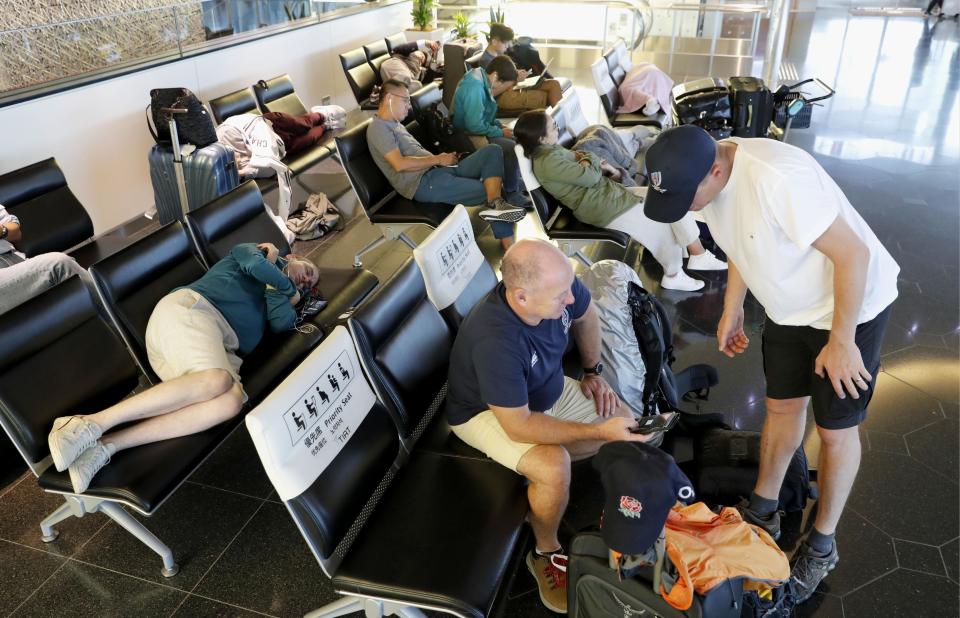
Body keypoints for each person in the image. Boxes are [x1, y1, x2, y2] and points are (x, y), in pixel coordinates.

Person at [641, 125, 899, 603]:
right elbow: (741, 241)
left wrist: (841, 340)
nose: (687, 208)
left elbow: (854, 255)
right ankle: (763, 509)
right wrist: (733, 305)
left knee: (835, 430)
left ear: (715, 171)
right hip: (789, 310)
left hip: (850, 307)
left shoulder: (777, 179)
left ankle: (822, 546)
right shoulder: (712, 181)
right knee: (781, 409)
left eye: (686, 198)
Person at [446, 238, 656, 614]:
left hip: (546, 387)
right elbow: (520, 426)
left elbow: (586, 315)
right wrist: (597, 433)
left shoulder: (557, 283)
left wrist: (593, 372)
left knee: (628, 424)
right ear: (522, 297)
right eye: (561, 296)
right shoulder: (496, 340)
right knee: (553, 464)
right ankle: (545, 550)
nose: (569, 299)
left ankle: (549, 483)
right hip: (488, 413)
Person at [46, 243, 320, 493]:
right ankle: (87, 423)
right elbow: (255, 266)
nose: (306, 281)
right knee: (218, 381)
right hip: (191, 312)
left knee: (231, 402)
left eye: (309, 285)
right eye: (308, 270)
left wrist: (284, 291)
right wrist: (278, 270)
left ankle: (105, 446)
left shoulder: (279, 288)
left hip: (214, 345)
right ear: (293, 256)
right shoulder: (256, 250)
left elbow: (281, 323)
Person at [513, 110, 727, 291]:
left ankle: (697, 252)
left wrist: (587, 161)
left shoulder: (551, 151)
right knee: (659, 223)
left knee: (668, 195)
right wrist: (589, 162)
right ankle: (673, 275)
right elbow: (590, 176)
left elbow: (585, 163)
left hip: (607, 196)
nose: (557, 128)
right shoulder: (549, 161)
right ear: (541, 138)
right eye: (553, 127)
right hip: (600, 206)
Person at [366, 79, 525, 250]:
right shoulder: (378, 128)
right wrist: (438, 159)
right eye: (405, 100)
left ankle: (496, 204)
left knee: (492, 150)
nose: (408, 106)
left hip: (440, 171)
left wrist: (443, 160)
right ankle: (510, 247)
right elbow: (399, 164)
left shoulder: (395, 124)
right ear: (389, 98)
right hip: (423, 184)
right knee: (489, 189)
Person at [450, 55, 526, 201]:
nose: (504, 90)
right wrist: (500, 131)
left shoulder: (480, 76)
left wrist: (498, 126)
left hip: (474, 129)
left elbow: (482, 116)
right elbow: (474, 125)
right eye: (505, 86)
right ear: (496, 76)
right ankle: (511, 192)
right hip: (466, 135)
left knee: (515, 139)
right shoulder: (474, 86)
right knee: (511, 148)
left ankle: (512, 180)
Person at [0, 202, 85, 315]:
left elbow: (16, 233)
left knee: (65, 299)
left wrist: (3, 230)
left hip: (14, 259)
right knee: (58, 265)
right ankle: (112, 320)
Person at [478, 23, 562, 111]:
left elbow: (505, 76)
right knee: (551, 91)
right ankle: (557, 122)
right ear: (494, 42)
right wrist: (515, 80)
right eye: (506, 44)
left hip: (514, 88)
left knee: (554, 84)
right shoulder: (486, 62)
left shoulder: (499, 55)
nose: (507, 47)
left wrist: (517, 72)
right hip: (504, 96)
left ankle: (557, 121)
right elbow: (491, 93)